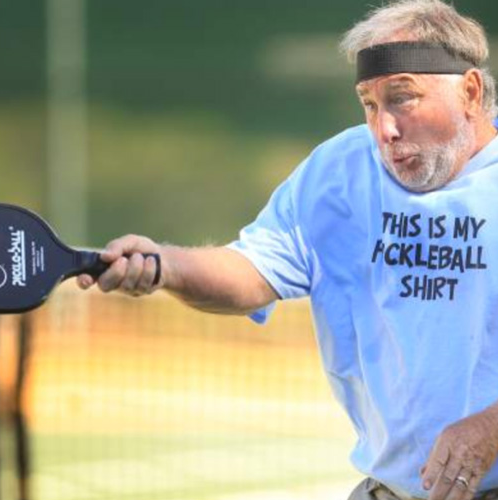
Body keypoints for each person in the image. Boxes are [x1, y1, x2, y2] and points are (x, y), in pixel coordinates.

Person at [77, 1, 498, 499]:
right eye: (368, 104)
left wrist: (491, 427)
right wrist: (163, 265)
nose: (383, 129)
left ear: (469, 92)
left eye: (402, 98)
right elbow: (253, 270)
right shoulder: (339, 171)